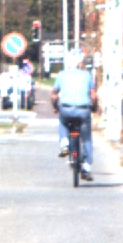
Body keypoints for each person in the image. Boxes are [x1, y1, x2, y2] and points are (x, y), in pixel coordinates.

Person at [52, 51, 97, 180]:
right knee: (86, 138)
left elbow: (54, 94)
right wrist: (94, 107)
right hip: (83, 110)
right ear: (80, 63)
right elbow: (93, 95)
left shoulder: (61, 74)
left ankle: (64, 143)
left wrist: (55, 106)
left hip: (66, 109)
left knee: (63, 122)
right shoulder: (87, 75)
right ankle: (86, 167)